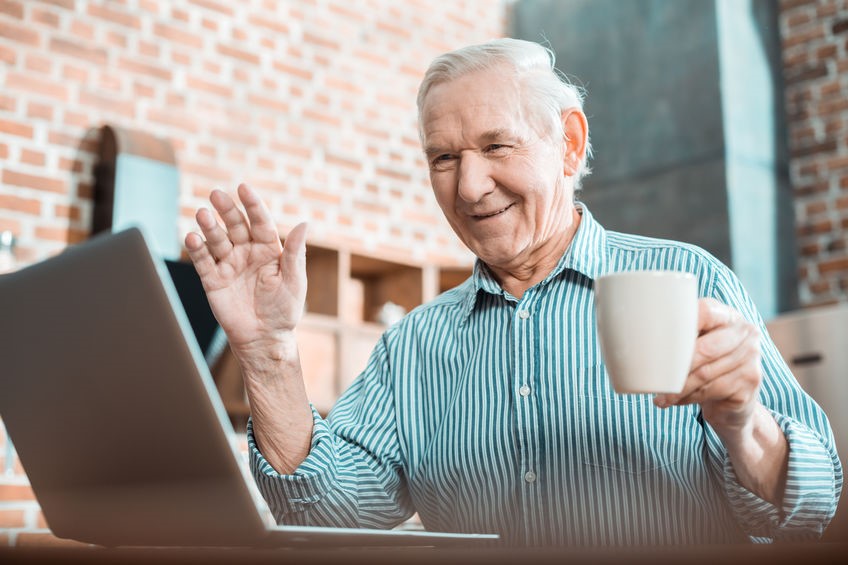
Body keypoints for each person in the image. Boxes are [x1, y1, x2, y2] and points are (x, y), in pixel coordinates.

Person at [184, 38, 842, 546]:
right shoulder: (414, 344)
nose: (469, 186)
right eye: (444, 158)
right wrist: (269, 353)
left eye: (496, 145)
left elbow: (817, 504)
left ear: (569, 143)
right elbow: (324, 512)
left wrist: (743, 424)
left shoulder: (692, 282)